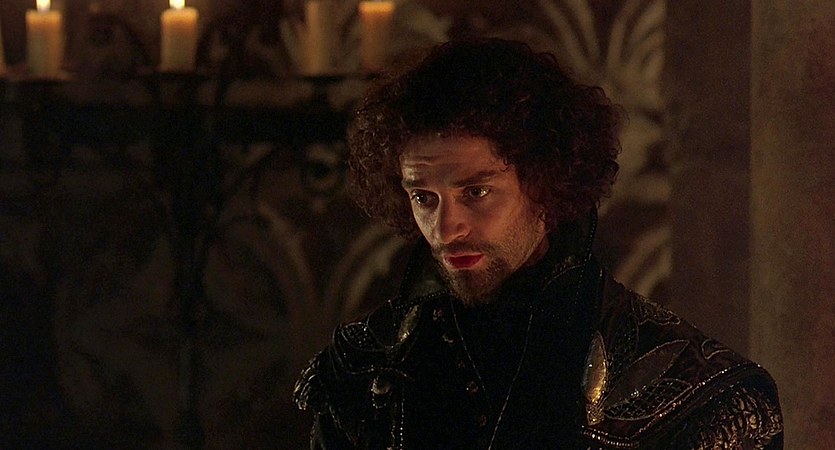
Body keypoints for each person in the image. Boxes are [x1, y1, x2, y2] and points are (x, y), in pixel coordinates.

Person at [294, 38, 783, 448]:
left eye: (476, 192)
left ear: (545, 186)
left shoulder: (697, 395)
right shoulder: (362, 372)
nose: (445, 230)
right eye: (424, 197)